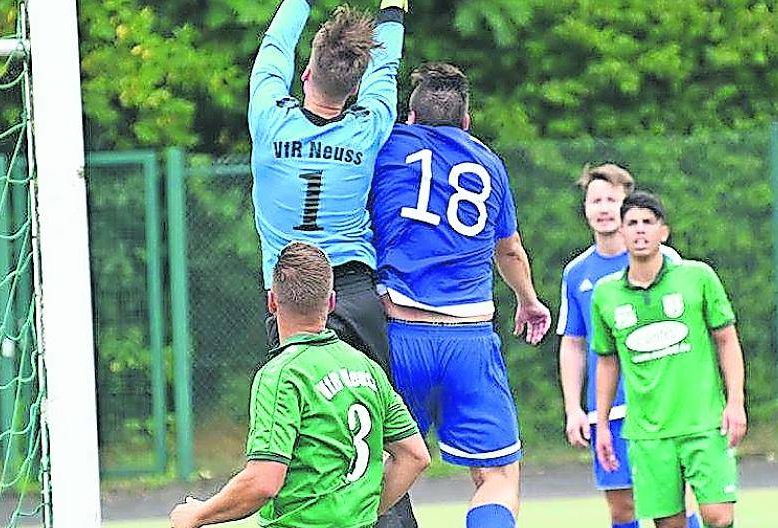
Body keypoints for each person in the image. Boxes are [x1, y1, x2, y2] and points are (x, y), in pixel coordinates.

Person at [248, 2, 418, 525]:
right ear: (357, 86)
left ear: (305, 72)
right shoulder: (368, 129)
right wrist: (392, 11)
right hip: (355, 295)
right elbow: (386, 69)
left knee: (302, 441)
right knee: (382, 435)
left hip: (296, 298)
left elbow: (273, 47)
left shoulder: (268, 117)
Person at [369, 62, 551, 528]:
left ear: (409, 116)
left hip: (398, 336)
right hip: (468, 339)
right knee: (497, 477)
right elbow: (508, 249)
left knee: (375, 466)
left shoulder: (387, 146)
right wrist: (528, 300)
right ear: (466, 122)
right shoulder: (488, 163)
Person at [169, 242, 430, 528]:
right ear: (331, 302)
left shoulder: (282, 375)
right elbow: (414, 456)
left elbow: (263, 481)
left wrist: (197, 515)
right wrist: (363, 515)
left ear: (272, 302)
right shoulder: (366, 367)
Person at [556, 164, 699, 528]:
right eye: (595, 200)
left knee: (674, 504)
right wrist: (574, 408)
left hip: (663, 404)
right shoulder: (577, 273)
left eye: (611, 200)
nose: (603, 208)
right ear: (585, 209)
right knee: (622, 508)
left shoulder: (667, 262)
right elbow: (573, 343)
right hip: (611, 409)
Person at [593, 191, 746, 528]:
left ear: (663, 231)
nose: (640, 230)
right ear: (621, 232)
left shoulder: (697, 277)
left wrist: (735, 401)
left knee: (718, 517)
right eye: (632, 223)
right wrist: (601, 423)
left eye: (648, 222)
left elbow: (726, 339)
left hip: (703, 422)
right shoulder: (606, 294)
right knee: (668, 523)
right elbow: (607, 361)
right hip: (649, 433)